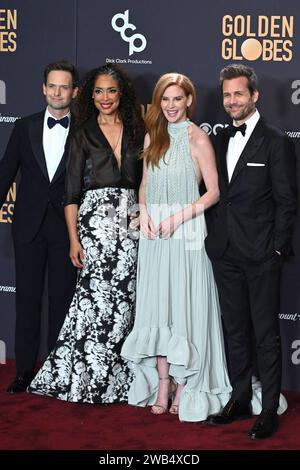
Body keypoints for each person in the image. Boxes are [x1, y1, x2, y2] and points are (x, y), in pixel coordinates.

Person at [28, 64, 145, 403]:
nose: (104, 98)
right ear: (89, 96)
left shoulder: (137, 130)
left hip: (131, 221)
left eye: (111, 90)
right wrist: (74, 239)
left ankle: (123, 382)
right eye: (98, 91)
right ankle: (88, 379)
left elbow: (146, 180)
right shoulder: (82, 133)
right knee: (94, 303)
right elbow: (71, 194)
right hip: (94, 223)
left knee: (124, 303)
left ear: (120, 93)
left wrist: (142, 212)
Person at [121, 72, 232, 422]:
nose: (170, 106)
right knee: (158, 313)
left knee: (184, 312)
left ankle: (186, 387)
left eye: (177, 99)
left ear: (188, 101)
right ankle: (164, 384)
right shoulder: (154, 136)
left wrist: (177, 218)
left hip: (185, 235)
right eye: (164, 100)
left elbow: (213, 192)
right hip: (155, 238)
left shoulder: (198, 138)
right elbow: (143, 186)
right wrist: (146, 216)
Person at [205, 64, 297, 439]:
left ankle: (269, 409)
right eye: (227, 95)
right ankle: (240, 398)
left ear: (254, 96)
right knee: (235, 330)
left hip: (261, 255)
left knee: (265, 334)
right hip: (225, 251)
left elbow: (287, 201)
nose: (232, 101)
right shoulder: (221, 139)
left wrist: (275, 249)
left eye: (238, 94)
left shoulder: (276, 141)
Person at [0, 60, 79, 393]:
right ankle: (24, 371)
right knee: (27, 300)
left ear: (74, 92)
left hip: (67, 230)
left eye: (65, 87)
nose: (58, 92)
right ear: (44, 89)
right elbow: (5, 173)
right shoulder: (24, 126)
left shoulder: (86, 131)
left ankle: (57, 371)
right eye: (53, 86)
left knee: (62, 301)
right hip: (28, 228)